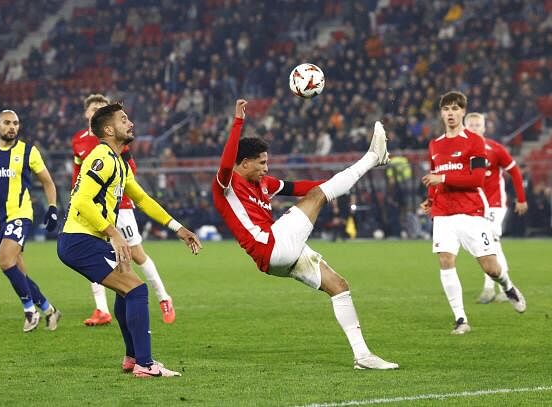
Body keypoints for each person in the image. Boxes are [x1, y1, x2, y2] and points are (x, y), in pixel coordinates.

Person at [212, 99, 398, 370]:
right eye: (261, 163)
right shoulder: (226, 184)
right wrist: (238, 121)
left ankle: (363, 356)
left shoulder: (264, 183)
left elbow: (303, 187)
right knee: (321, 195)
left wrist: (338, 182)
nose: (266, 168)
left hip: (281, 253)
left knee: (338, 285)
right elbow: (227, 161)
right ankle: (372, 157)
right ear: (243, 163)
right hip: (271, 246)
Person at [58, 103, 202, 378]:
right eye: (124, 119)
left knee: (128, 287)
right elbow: (81, 200)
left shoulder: (119, 163)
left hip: (86, 239)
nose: (131, 123)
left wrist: (178, 228)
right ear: (109, 129)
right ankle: (145, 364)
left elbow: (143, 200)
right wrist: (113, 233)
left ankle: (132, 358)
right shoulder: (102, 156)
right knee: (136, 289)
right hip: (80, 240)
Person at [420, 91, 526, 335]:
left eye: (455, 109)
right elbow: (435, 180)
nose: (450, 113)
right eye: (446, 109)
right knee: (445, 261)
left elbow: (476, 179)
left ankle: (507, 286)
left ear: (463, 112)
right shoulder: (434, 144)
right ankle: (461, 319)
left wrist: (443, 177)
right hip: (444, 212)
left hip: (471, 211)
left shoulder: (475, 142)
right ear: (441, 113)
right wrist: (430, 200)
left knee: (490, 267)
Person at [72, 94, 176, 326]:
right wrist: (75, 196)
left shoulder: (116, 140)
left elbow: (129, 174)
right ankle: (102, 309)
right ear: (87, 114)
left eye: (101, 108)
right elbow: (77, 174)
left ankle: (163, 297)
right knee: (97, 253)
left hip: (121, 205)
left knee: (135, 254)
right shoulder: (78, 140)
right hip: (91, 207)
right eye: (93, 109)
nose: (96, 111)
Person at [0, 110, 62, 332]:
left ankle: (30, 311)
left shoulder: (29, 152)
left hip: (20, 214)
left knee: (4, 261)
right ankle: (49, 310)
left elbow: (48, 182)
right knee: (17, 270)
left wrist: (52, 208)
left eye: (16, 123)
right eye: (7, 123)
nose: (12, 127)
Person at [464, 112, 528, 304]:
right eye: (472, 125)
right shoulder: (461, 151)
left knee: (490, 241)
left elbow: (515, 172)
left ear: (485, 128)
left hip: (494, 204)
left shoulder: (495, 149)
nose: (475, 128)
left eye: (478, 125)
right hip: (474, 205)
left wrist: (521, 199)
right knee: (484, 244)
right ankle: (503, 287)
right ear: (465, 128)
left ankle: (491, 288)